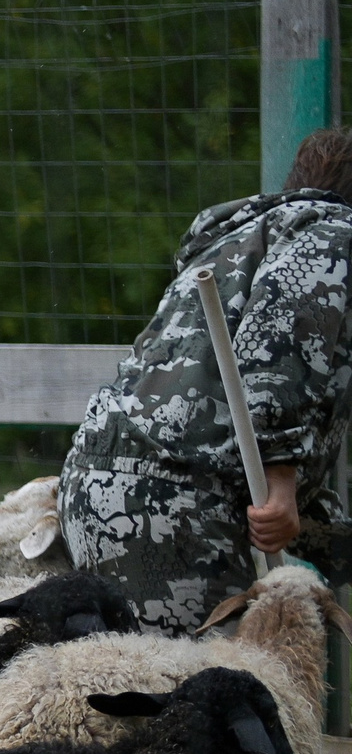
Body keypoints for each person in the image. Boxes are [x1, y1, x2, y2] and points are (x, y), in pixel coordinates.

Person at [60, 128, 352, 630]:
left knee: (138, 692)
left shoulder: (242, 242)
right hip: (170, 507)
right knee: (205, 696)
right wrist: (280, 481)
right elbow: (279, 342)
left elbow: (221, 425)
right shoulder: (333, 231)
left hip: (107, 487)